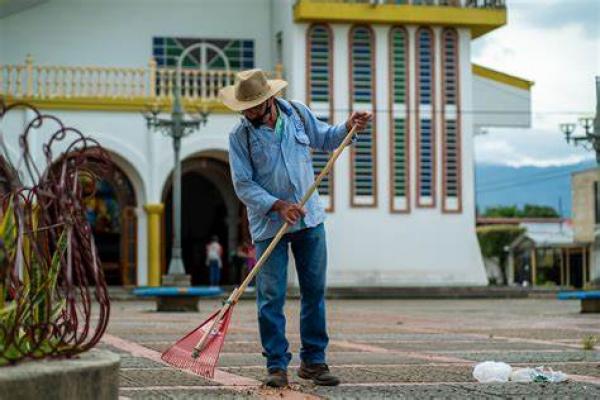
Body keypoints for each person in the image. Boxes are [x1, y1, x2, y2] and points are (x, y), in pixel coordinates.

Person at [220, 69, 371, 388]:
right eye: (244, 107)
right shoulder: (240, 137)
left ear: (270, 99)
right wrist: (278, 205)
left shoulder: (298, 113)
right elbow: (243, 185)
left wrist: (348, 126)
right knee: (271, 296)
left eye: (254, 105)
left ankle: (314, 362)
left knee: (314, 291)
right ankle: (276, 365)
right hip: (268, 225)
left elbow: (326, 139)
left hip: (309, 218)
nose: (248, 112)